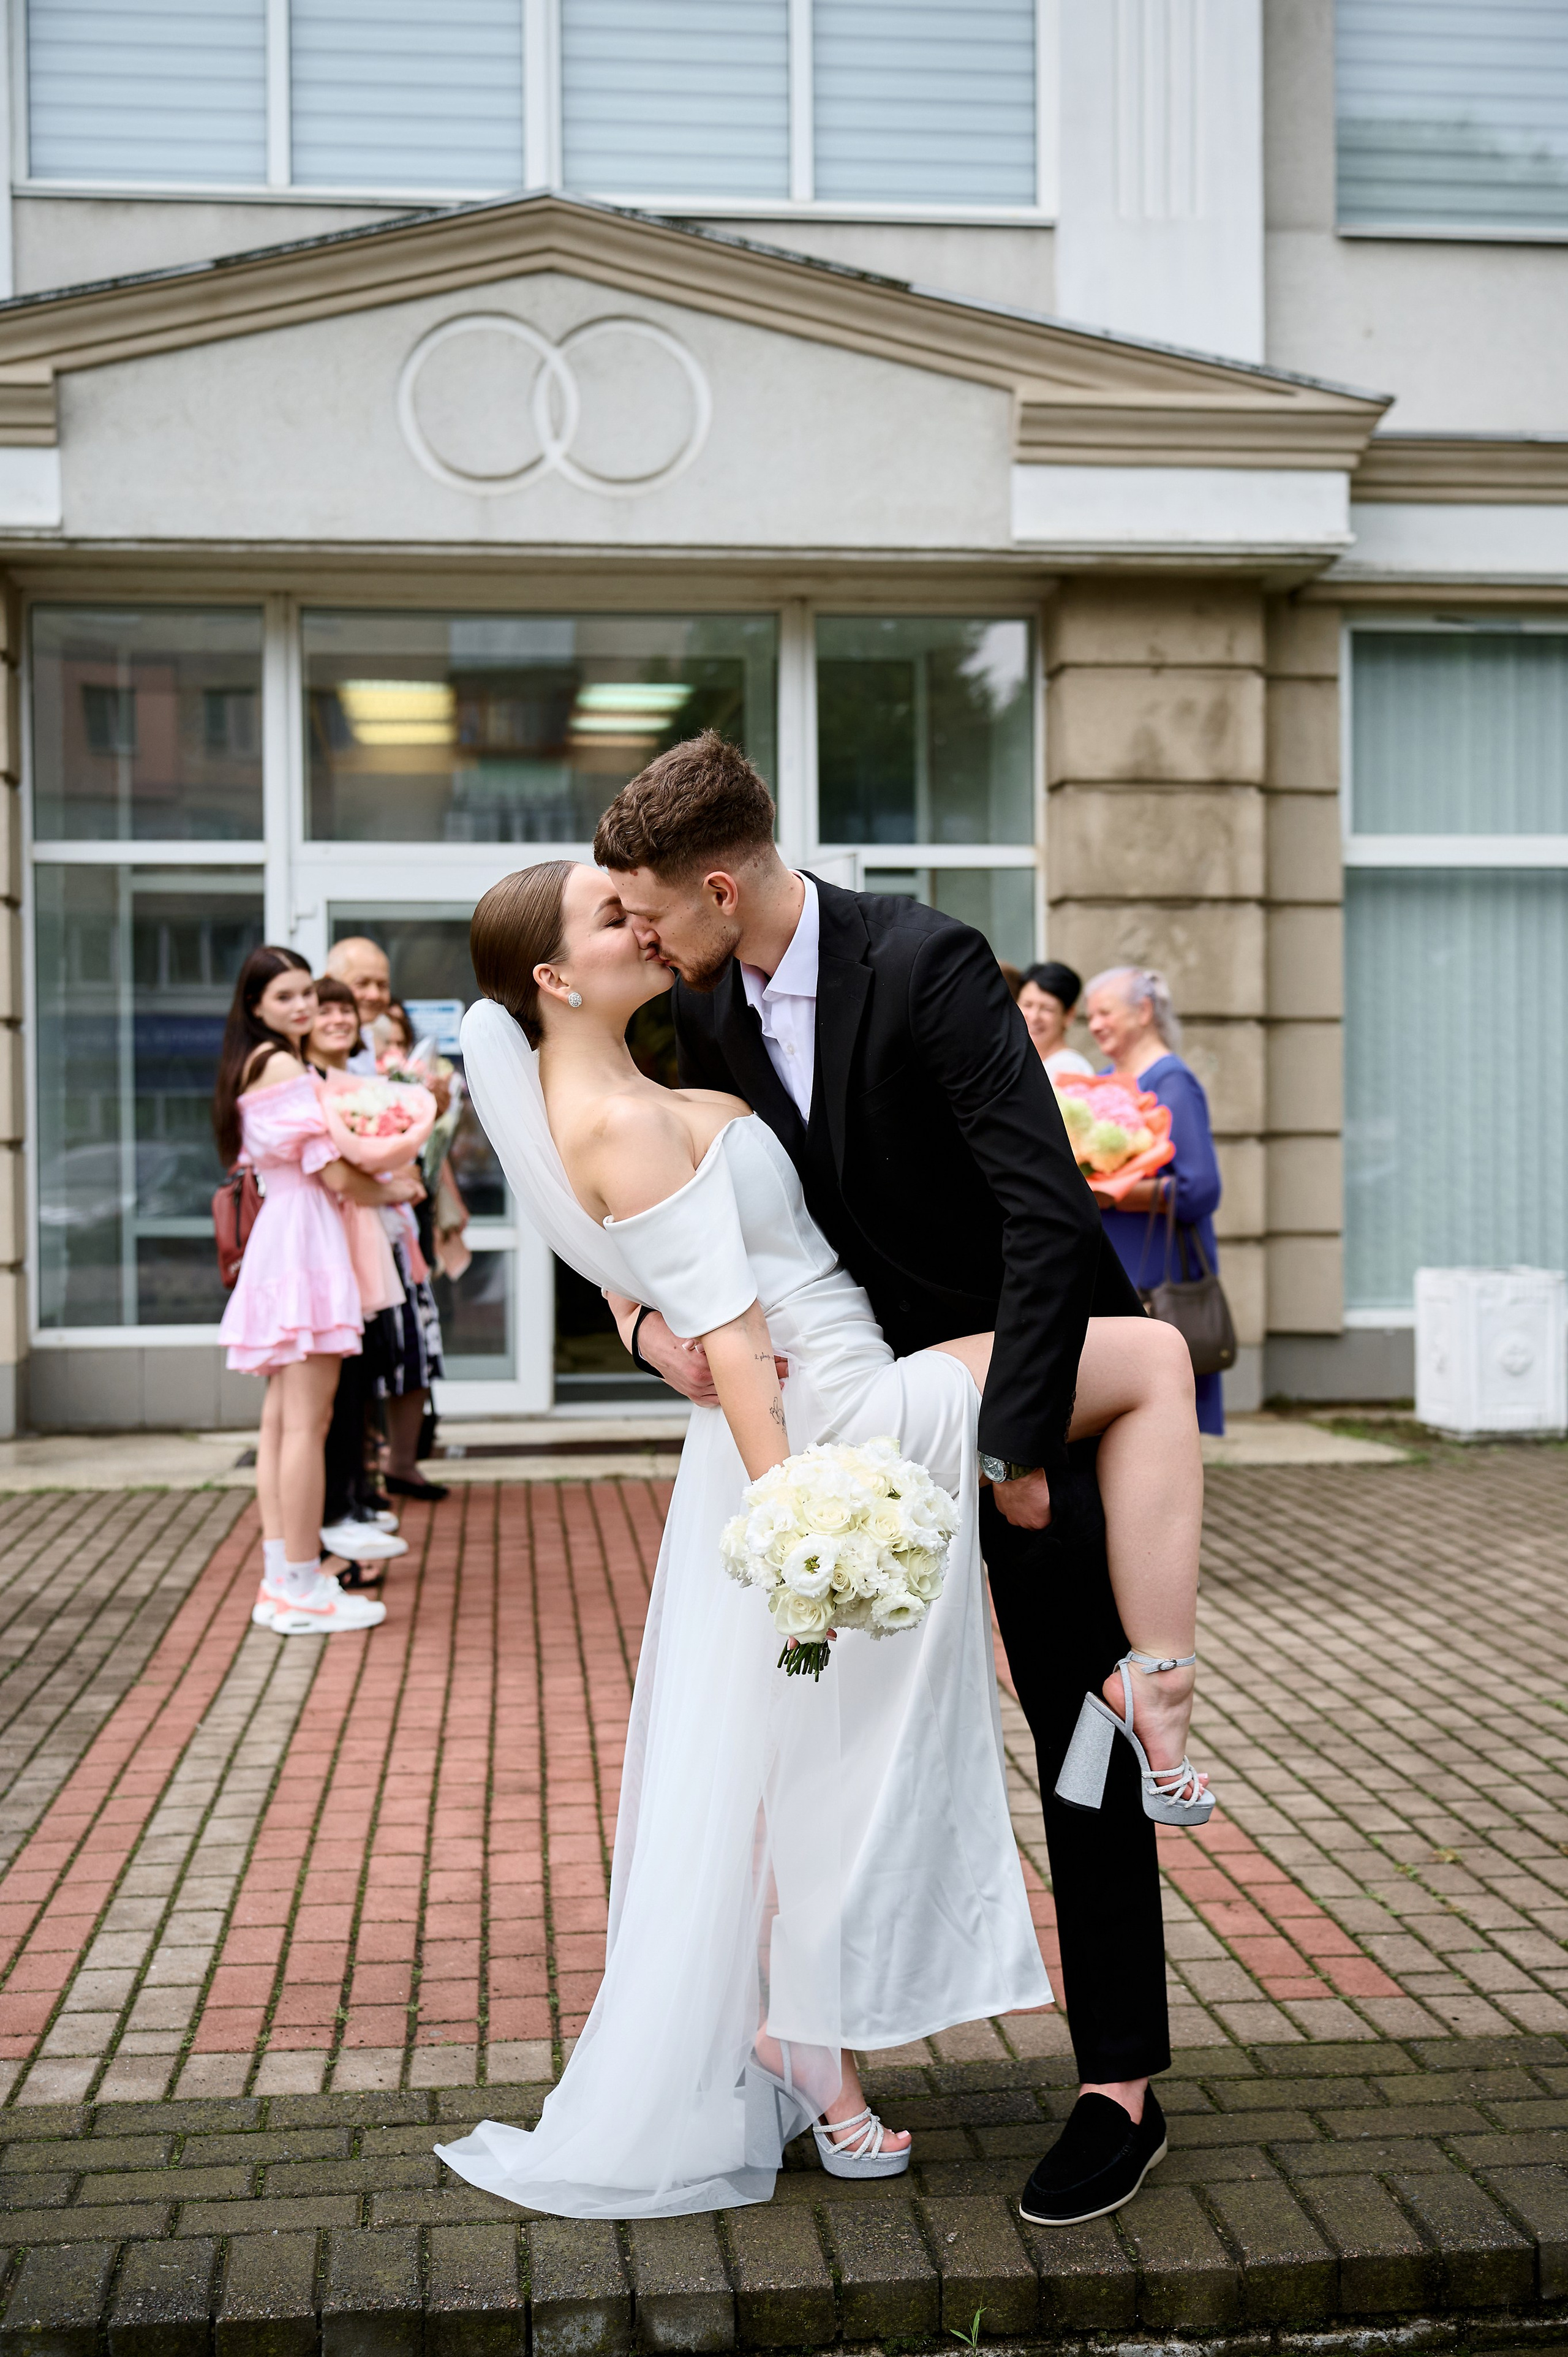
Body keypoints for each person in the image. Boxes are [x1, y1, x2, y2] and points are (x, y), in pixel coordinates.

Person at [503, 733, 1205, 2228]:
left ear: (714, 883)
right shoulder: (697, 1001)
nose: (638, 938)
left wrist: (1015, 1442)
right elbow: (661, 1224)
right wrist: (642, 1328)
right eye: (612, 924)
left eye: (646, 912)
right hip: (844, 1427)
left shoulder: (927, 961)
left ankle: (1118, 2085)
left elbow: (1037, 1210)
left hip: (1009, 1391)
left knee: (1077, 1710)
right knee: (807, 1752)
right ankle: (797, 2036)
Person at [213, 947, 417, 1638]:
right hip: (304, 1240)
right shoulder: (278, 1064)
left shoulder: (261, 1062)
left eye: (306, 993)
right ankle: (298, 1582)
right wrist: (395, 1184)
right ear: (257, 1008)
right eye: (286, 997)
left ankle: (286, 1576)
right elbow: (333, 1174)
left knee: (282, 1421)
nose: (302, 1006)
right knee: (306, 1422)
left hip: (289, 1237)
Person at [1085, 967, 1226, 1438]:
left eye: (1106, 1012)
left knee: (1162, 1422)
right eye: (1090, 1016)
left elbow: (1199, 1190)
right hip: (1116, 1269)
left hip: (1158, 1274)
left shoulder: (1172, 1082)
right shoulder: (1105, 1081)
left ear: (1143, 1012)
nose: (1095, 1025)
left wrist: (1114, 1192)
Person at [304, 976, 408, 1575]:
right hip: (329, 1240)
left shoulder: (354, 1084)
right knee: (333, 1392)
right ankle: (334, 1509)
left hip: (364, 1236)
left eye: (346, 1010)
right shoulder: (303, 1083)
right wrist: (389, 1184)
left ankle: (353, 1497)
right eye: (327, 1010)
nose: (339, 1019)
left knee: (361, 1377)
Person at [1019, 960, 1095, 1080]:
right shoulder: (1018, 1064)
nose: (1034, 1017)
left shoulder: (1072, 1070)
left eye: (1047, 1009)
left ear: (1069, 1015)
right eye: (1027, 1005)